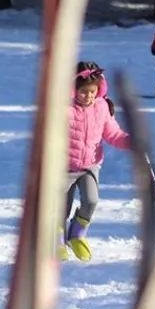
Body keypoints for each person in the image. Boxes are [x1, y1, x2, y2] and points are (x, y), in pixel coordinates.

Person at [60, 62, 130, 262]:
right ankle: (56, 238)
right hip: (64, 167)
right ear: (73, 90)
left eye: (92, 92)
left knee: (91, 200)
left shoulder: (101, 107)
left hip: (90, 165)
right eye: (83, 92)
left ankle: (77, 234)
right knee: (61, 206)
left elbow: (113, 133)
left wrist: (132, 141)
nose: (88, 96)